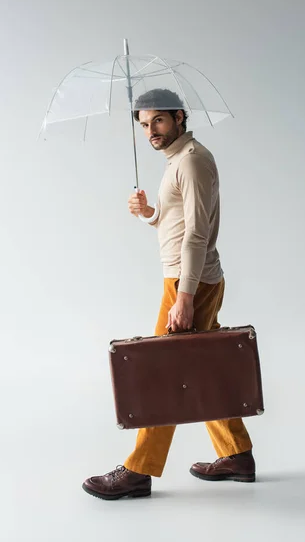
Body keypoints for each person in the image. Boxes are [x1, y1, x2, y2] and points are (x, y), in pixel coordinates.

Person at [82, 89, 255, 500]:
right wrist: (150, 214)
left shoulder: (192, 160)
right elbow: (176, 221)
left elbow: (197, 233)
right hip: (185, 280)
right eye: (143, 125)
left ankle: (139, 470)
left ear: (179, 116)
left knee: (163, 373)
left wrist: (185, 296)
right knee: (203, 368)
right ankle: (237, 455)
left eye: (157, 121)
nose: (150, 132)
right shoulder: (177, 159)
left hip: (189, 282)